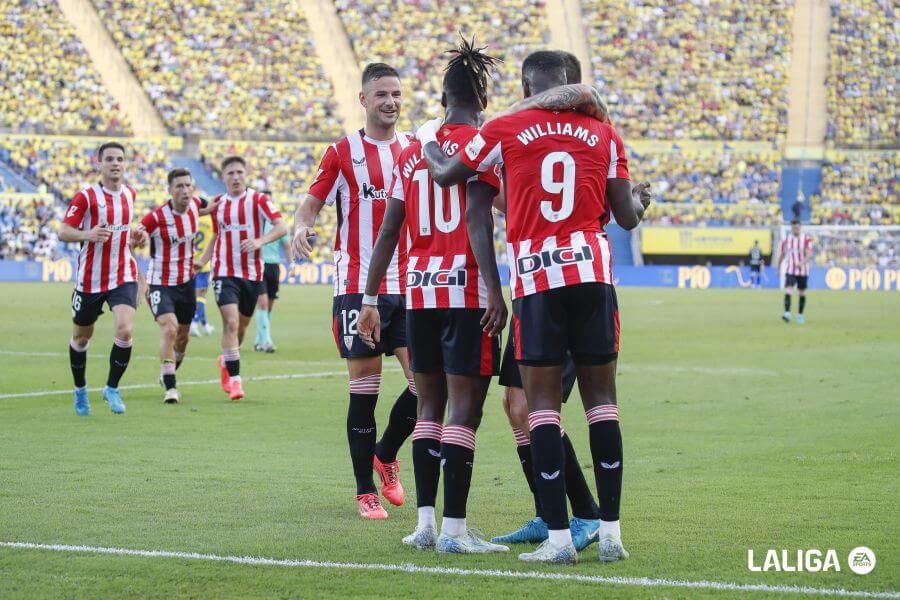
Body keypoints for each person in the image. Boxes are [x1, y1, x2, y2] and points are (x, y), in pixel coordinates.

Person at [415, 50, 651, 563]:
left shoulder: (506, 128)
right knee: (602, 405)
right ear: (570, 85)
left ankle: (561, 540)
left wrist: (429, 138)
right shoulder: (605, 134)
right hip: (591, 272)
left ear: (526, 86)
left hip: (537, 280)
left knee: (541, 408)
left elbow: (448, 174)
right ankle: (611, 535)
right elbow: (627, 218)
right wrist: (639, 201)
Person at [357, 38, 509, 553]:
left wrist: (371, 298)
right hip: (465, 295)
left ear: (443, 99)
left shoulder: (412, 155)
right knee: (463, 414)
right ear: (482, 101)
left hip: (417, 294)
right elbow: (479, 220)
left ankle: (424, 524)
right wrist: (493, 287)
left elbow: (386, 234)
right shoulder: (485, 146)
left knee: (428, 409)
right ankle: (455, 531)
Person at [292, 63, 418, 520]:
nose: (391, 101)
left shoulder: (414, 149)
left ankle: (385, 453)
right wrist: (302, 227)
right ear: (363, 100)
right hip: (356, 288)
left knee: (426, 384)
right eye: (381, 94)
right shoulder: (343, 151)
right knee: (364, 392)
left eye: (397, 93)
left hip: (409, 285)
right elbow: (312, 203)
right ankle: (365, 489)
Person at [490, 50, 605, 553]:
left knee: (542, 408)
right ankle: (547, 508)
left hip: (570, 289)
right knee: (516, 406)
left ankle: (585, 516)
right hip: (530, 288)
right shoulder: (531, 142)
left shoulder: (593, 132)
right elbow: (516, 203)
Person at [59, 141, 147, 416]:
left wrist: (137, 237)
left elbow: (127, 233)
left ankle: (112, 387)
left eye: (120, 158)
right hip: (90, 280)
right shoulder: (86, 197)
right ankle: (79, 389)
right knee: (82, 338)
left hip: (122, 274)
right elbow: (64, 231)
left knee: (125, 330)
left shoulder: (130, 194)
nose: (115, 163)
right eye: (109, 158)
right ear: (99, 164)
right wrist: (88, 234)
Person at [194, 156, 288, 400]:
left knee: (242, 328)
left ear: (245, 174)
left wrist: (260, 241)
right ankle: (236, 381)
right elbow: (215, 235)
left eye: (239, 172)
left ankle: (226, 360)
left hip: (252, 274)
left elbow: (281, 226)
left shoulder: (258, 200)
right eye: (230, 173)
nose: (235, 177)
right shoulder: (218, 205)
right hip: (224, 272)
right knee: (232, 323)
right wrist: (202, 261)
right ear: (223, 177)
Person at [138, 168, 213, 403]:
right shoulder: (156, 218)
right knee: (169, 329)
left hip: (186, 283)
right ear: (170, 190)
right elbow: (134, 239)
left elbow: (213, 206)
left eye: (188, 185)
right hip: (160, 283)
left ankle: (167, 371)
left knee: (183, 338)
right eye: (179, 186)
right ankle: (171, 388)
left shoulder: (195, 207)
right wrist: (140, 279)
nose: (184, 190)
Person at [254, 191, 293, 352]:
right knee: (262, 303)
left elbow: (286, 245)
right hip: (259, 265)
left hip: (274, 266)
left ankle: (259, 340)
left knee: (269, 305)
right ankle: (267, 341)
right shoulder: (253, 222)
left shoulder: (278, 223)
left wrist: (291, 265)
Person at [779, 220, 812, 324]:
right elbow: (782, 254)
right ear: (791, 228)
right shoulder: (787, 240)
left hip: (803, 270)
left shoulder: (806, 239)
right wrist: (778, 267)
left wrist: (802, 263)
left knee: (802, 292)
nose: (795, 229)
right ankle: (787, 313)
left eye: (797, 228)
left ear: (800, 228)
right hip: (790, 269)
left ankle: (800, 315)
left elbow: (809, 254)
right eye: (794, 228)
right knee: (788, 289)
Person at [190, 202, 215, 337]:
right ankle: (193, 323)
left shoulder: (191, 218)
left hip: (190, 262)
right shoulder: (210, 220)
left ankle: (205, 325)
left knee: (198, 296)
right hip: (203, 264)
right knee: (201, 295)